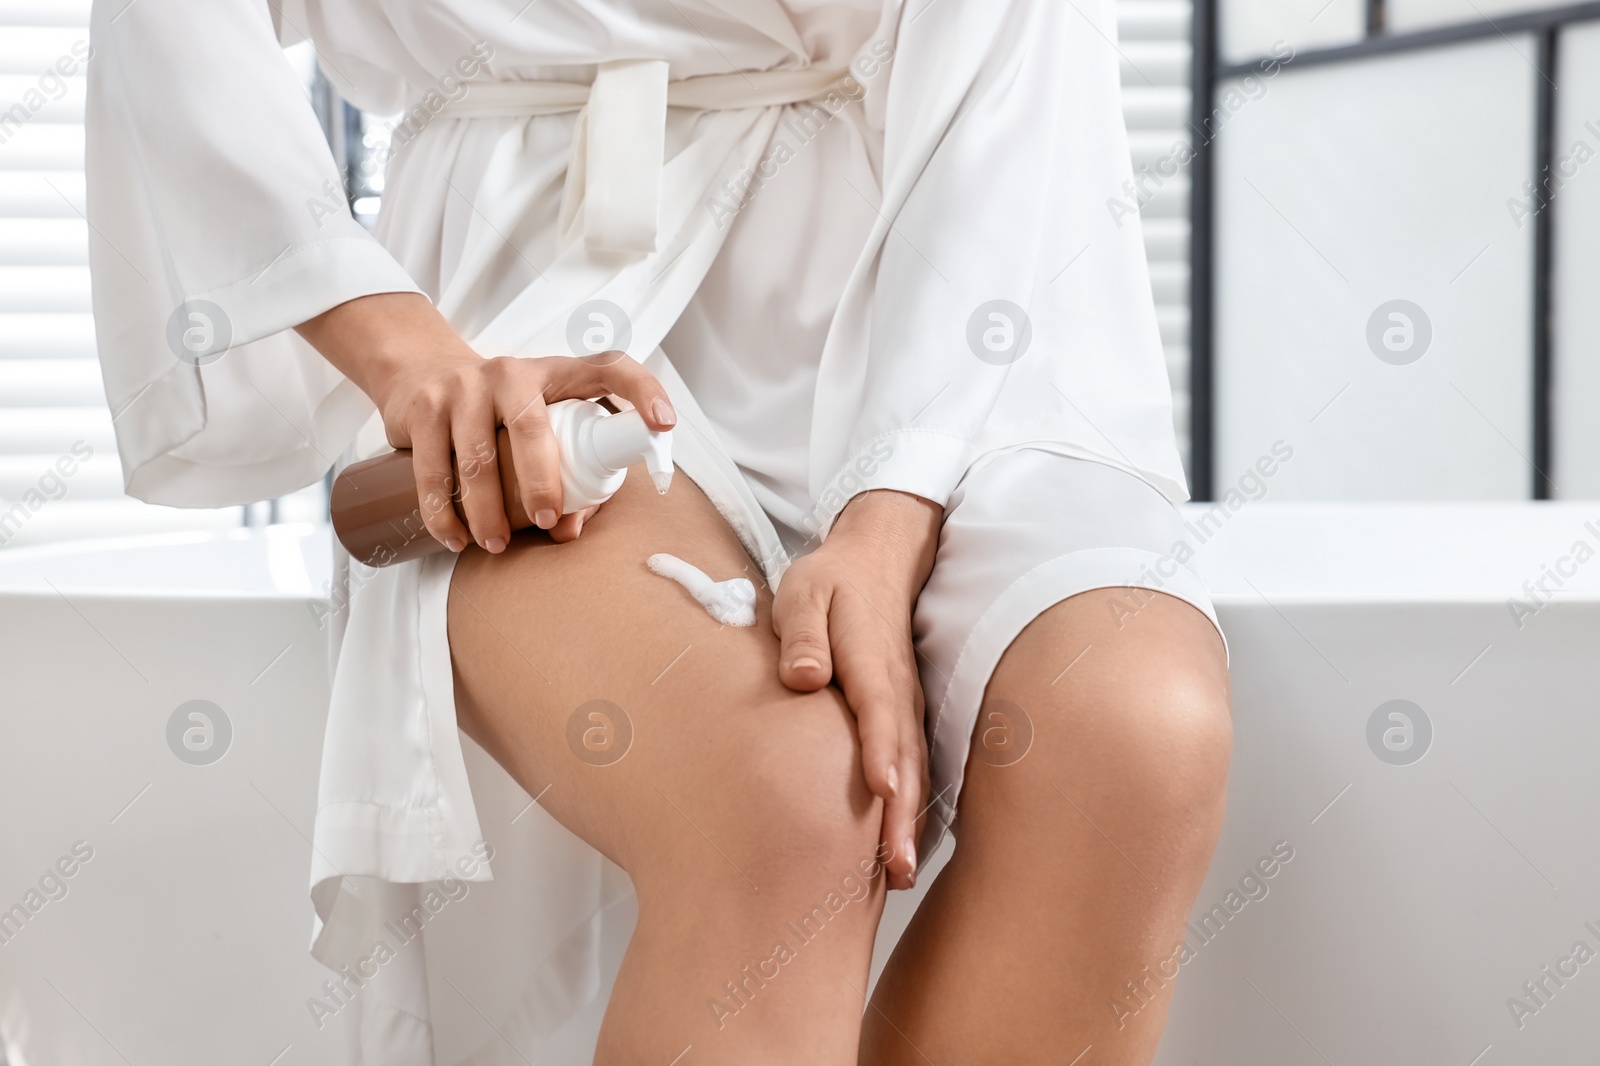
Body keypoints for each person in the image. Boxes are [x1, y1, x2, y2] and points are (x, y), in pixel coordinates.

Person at [87, 0, 1232, 1062]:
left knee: (1131, 734)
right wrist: (407, 351)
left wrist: (889, 514)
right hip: (525, 325)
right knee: (787, 804)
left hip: (953, 302)